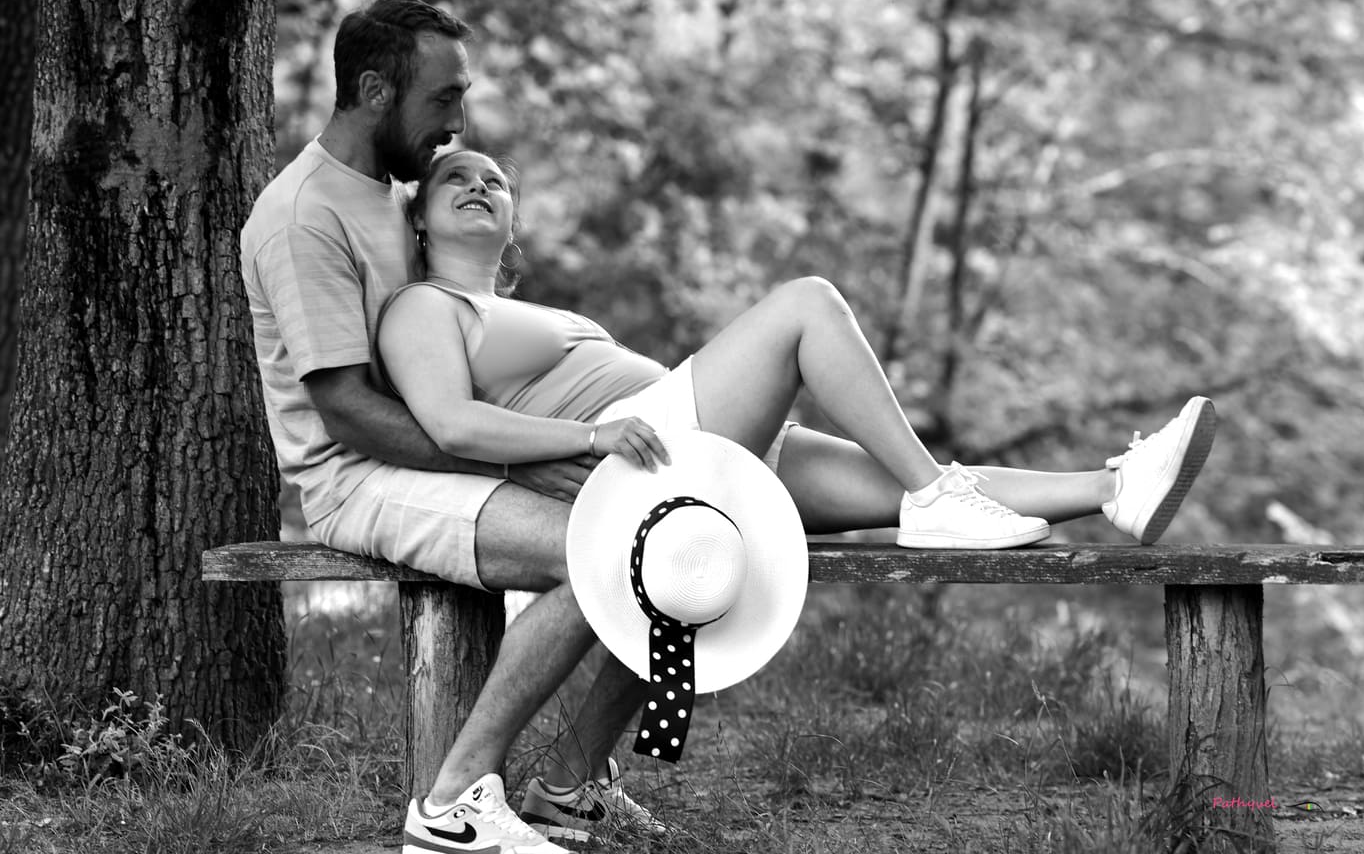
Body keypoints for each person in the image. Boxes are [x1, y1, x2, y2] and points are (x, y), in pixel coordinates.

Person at [376, 147, 1218, 842]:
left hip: (676, 445)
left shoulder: (530, 310)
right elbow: (452, 425)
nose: (479, 185)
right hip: (637, 452)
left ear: (514, 222)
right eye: (456, 179)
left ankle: (1115, 488)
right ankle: (938, 494)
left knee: (899, 484)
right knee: (808, 306)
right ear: (417, 221)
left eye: (495, 181)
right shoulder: (424, 306)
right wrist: (585, 442)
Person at [241, 0, 658, 854]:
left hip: (442, 455)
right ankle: (451, 804)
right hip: (357, 479)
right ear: (373, 91)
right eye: (442, 99)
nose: (457, 123)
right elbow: (348, 410)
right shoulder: (303, 217)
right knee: (599, 549)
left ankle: (568, 788)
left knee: (659, 535)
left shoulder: (396, 194)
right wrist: (510, 467)